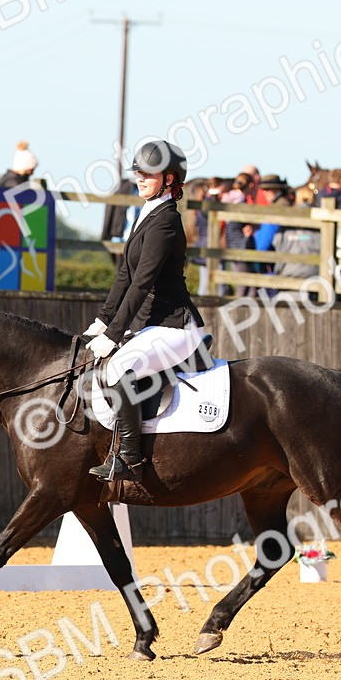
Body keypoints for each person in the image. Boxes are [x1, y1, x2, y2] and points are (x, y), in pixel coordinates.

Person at [83, 140, 206, 482]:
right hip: (153, 325)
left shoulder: (166, 222)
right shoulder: (147, 214)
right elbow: (125, 275)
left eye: (147, 173)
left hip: (176, 327)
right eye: (138, 172)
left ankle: (130, 458)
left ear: (169, 179)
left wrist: (113, 335)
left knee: (120, 366)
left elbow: (142, 284)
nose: (139, 177)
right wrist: (102, 321)